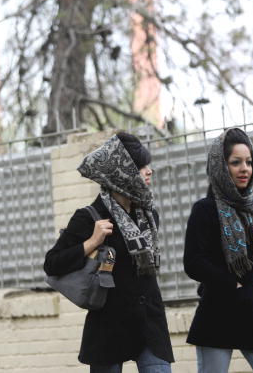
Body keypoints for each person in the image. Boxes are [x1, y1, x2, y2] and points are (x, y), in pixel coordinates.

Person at [44, 132, 174, 373]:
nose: (149, 171)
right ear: (120, 173)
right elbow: (52, 263)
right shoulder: (89, 217)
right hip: (109, 326)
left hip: (149, 323)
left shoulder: (149, 216)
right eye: (140, 166)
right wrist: (91, 242)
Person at [183, 128, 253, 373]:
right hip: (218, 314)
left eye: (249, 162)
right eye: (236, 162)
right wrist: (234, 286)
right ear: (221, 166)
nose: (245, 169)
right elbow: (194, 262)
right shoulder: (205, 210)